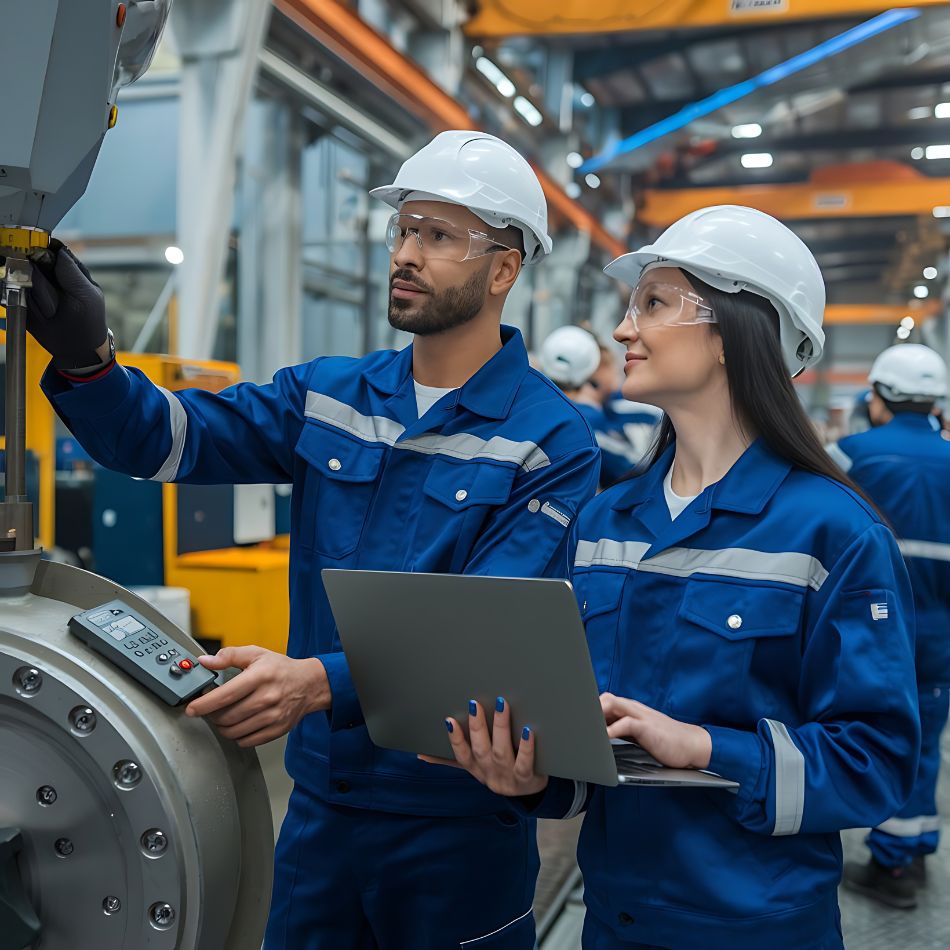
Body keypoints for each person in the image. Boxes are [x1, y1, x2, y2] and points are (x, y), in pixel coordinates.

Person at [27, 130, 601, 949]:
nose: (406, 254)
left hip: (456, 827)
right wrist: (90, 362)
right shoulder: (330, 396)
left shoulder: (550, 442)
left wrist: (318, 681)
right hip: (321, 816)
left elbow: (485, 628)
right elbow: (164, 440)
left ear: (504, 270)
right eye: (404, 229)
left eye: (439, 236)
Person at [428, 205, 920, 949]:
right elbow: (593, 734)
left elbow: (876, 764)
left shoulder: (834, 532)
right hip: (614, 920)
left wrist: (709, 749)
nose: (623, 331)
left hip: (756, 931)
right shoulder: (604, 522)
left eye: (654, 304)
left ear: (734, 334)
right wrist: (532, 776)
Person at [830, 344, 950, 909]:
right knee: (924, 738)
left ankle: (890, 860)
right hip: (940, 629)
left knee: (867, 734)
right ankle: (911, 851)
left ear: (878, 397)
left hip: (872, 626)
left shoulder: (848, 455)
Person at [539, 325, 639, 487]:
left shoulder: (542, 407)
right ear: (595, 369)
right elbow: (626, 468)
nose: (616, 371)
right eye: (609, 365)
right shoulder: (587, 416)